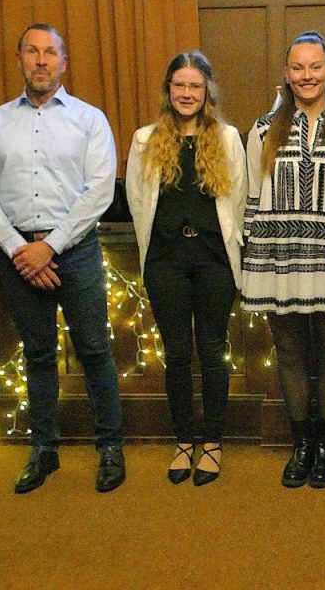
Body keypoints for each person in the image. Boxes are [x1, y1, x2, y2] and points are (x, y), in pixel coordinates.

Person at [0, 23, 126, 494]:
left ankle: (110, 448)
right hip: (17, 257)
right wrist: (22, 250)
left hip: (74, 254)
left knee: (95, 351)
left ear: (64, 61)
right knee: (37, 355)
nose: (41, 61)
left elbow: (98, 191)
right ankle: (44, 450)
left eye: (50, 53)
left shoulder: (90, 120)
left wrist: (49, 246)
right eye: (32, 52)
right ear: (19, 58)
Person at [242, 31, 325, 489]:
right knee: (292, 353)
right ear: (286, 73)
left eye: (315, 66)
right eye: (298, 67)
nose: (307, 76)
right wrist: (251, 261)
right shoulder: (262, 129)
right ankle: (302, 444)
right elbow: (252, 202)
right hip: (280, 257)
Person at [126, 51, 246, 486]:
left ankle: (211, 441)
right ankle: (183, 439)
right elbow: (139, 203)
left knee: (212, 351)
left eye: (195, 86)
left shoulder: (229, 139)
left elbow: (240, 202)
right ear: (168, 90)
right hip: (166, 262)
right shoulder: (144, 140)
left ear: (207, 91)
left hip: (214, 261)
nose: (187, 94)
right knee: (176, 354)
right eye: (180, 85)